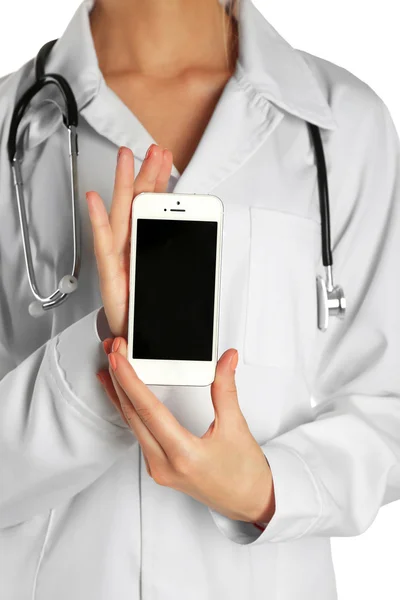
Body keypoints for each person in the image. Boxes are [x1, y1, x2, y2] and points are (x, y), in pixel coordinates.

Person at [0, 0, 399, 598]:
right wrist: (103, 358)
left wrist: (266, 490)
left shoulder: (344, 129)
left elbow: (387, 407)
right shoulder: (13, 125)